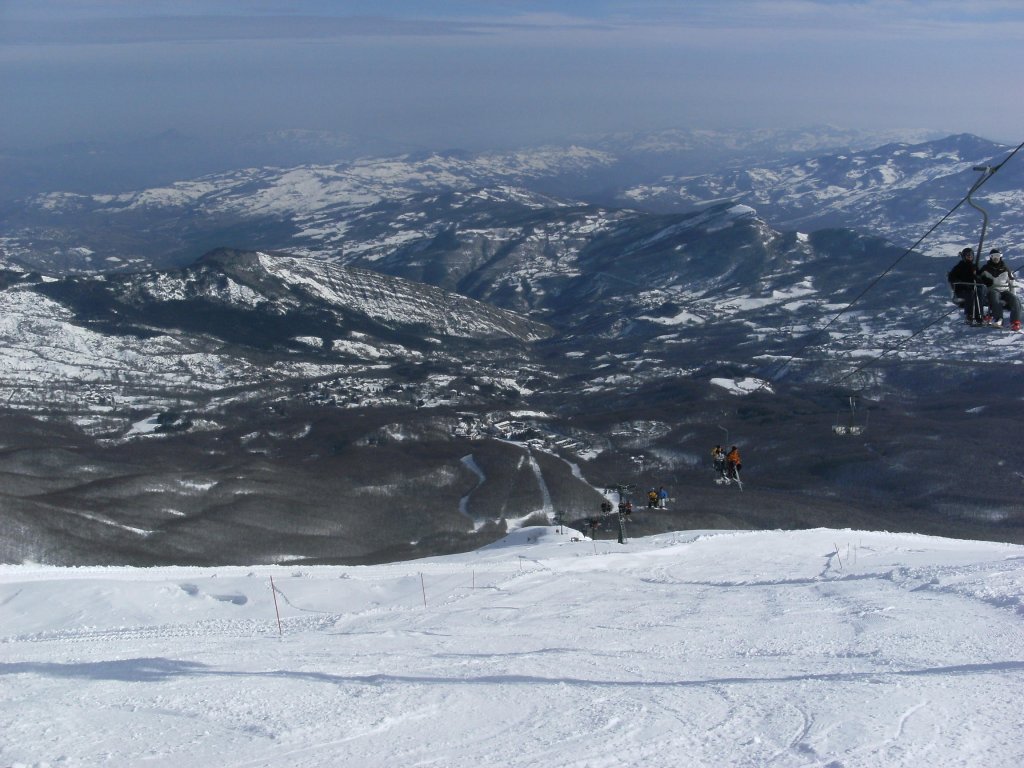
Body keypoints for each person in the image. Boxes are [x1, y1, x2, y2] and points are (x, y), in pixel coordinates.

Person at [978, 248, 1022, 331]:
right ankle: (998, 319)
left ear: (1000, 257)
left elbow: (1011, 282)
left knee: (1015, 299)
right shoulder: (985, 268)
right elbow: (977, 279)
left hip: (1004, 290)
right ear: (990, 257)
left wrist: (1012, 294)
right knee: (995, 297)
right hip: (992, 289)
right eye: (993, 256)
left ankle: (1015, 321)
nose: (995, 258)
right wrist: (983, 280)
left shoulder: (1005, 269)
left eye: (997, 256)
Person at [947, 247, 987, 325]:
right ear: (964, 257)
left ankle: (979, 315)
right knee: (971, 293)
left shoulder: (974, 267)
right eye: (968, 255)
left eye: (971, 255)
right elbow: (951, 277)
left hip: (972, 288)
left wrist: (980, 278)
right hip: (962, 290)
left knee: (978, 291)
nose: (969, 257)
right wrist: (958, 281)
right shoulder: (959, 267)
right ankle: (970, 315)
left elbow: (979, 278)